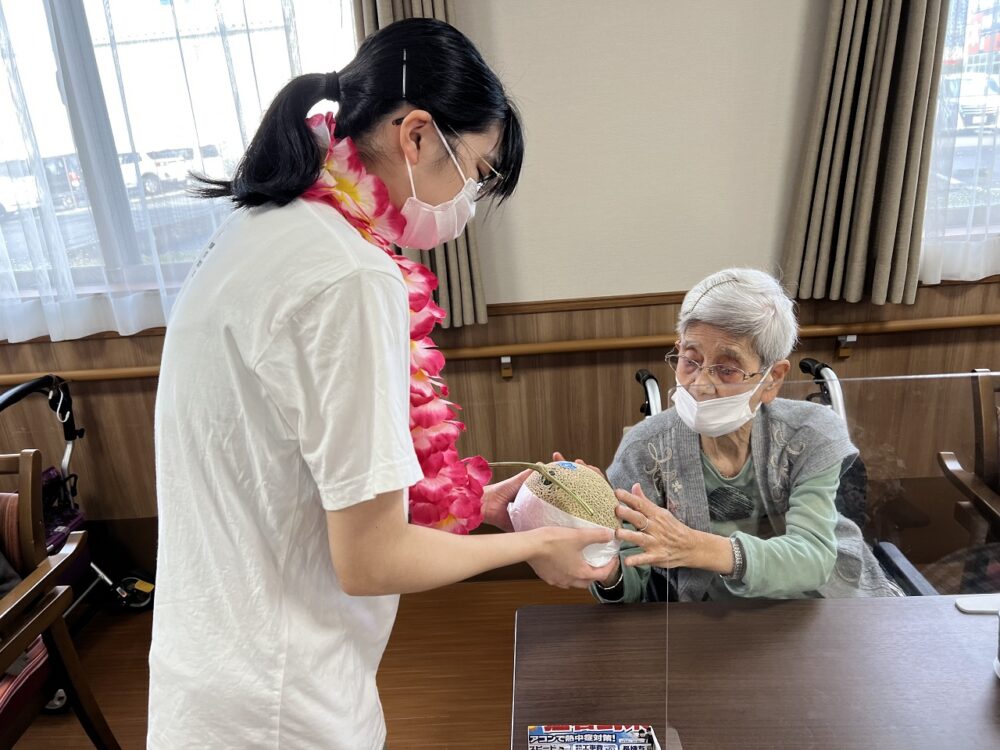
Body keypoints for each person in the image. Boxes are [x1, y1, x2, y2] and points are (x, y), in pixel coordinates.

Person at [148, 19, 614, 749]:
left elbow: (306, 478)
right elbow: (370, 559)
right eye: (479, 171)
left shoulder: (260, 230)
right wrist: (531, 549)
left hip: (211, 671)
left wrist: (478, 506)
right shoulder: (351, 276)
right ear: (419, 136)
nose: (471, 202)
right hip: (283, 697)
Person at [589, 268, 903, 604]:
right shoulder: (644, 449)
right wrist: (606, 570)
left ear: (772, 379)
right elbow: (634, 572)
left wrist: (696, 547)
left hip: (818, 607)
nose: (700, 385)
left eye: (727, 369)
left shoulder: (811, 432)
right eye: (691, 361)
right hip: (711, 623)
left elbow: (812, 559)